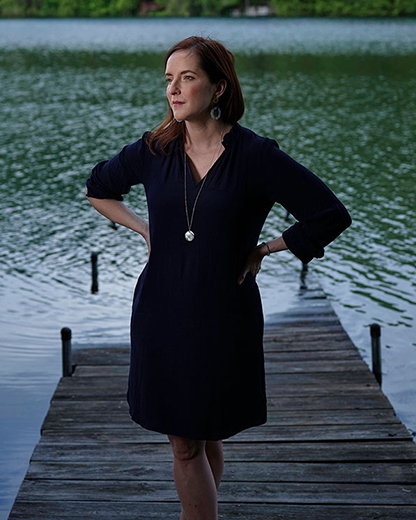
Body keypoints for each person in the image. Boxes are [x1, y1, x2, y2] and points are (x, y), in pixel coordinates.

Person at [85, 35, 351, 520]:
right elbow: (98, 188)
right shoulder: (154, 149)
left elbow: (328, 214)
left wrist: (266, 249)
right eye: (169, 79)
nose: (174, 89)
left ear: (219, 87)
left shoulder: (255, 156)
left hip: (223, 315)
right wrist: (146, 231)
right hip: (161, 312)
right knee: (185, 442)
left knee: (204, 431)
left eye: (188, 77)